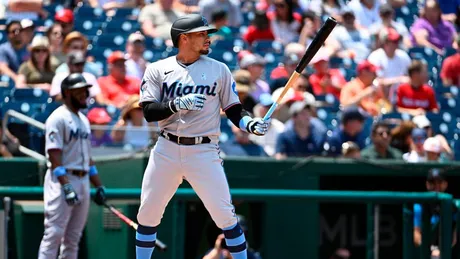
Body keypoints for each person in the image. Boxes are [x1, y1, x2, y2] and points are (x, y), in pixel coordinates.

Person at [135, 14, 270, 259]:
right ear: (184, 38)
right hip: (167, 146)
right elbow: (147, 111)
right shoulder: (157, 69)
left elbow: (233, 109)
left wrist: (250, 124)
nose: (208, 38)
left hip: (203, 149)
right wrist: (175, 104)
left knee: (225, 215)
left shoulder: (219, 69)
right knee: (148, 213)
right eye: (202, 34)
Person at [38, 73, 107, 259]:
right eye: (80, 90)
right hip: (63, 180)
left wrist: (98, 184)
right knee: (54, 234)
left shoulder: (83, 120)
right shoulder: (57, 118)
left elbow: (88, 159)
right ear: (68, 92)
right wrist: (66, 185)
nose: (85, 93)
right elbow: (54, 155)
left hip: (83, 180)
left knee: (73, 238)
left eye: (86, 89)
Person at [413, 168, 457, 258]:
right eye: (433, 183)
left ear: (445, 184)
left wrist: (441, 251)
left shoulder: (453, 207)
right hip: (425, 252)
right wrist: (430, 250)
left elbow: (454, 237)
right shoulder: (419, 206)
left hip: (446, 252)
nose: (436, 187)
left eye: (439, 182)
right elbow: (416, 235)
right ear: (427, 184)